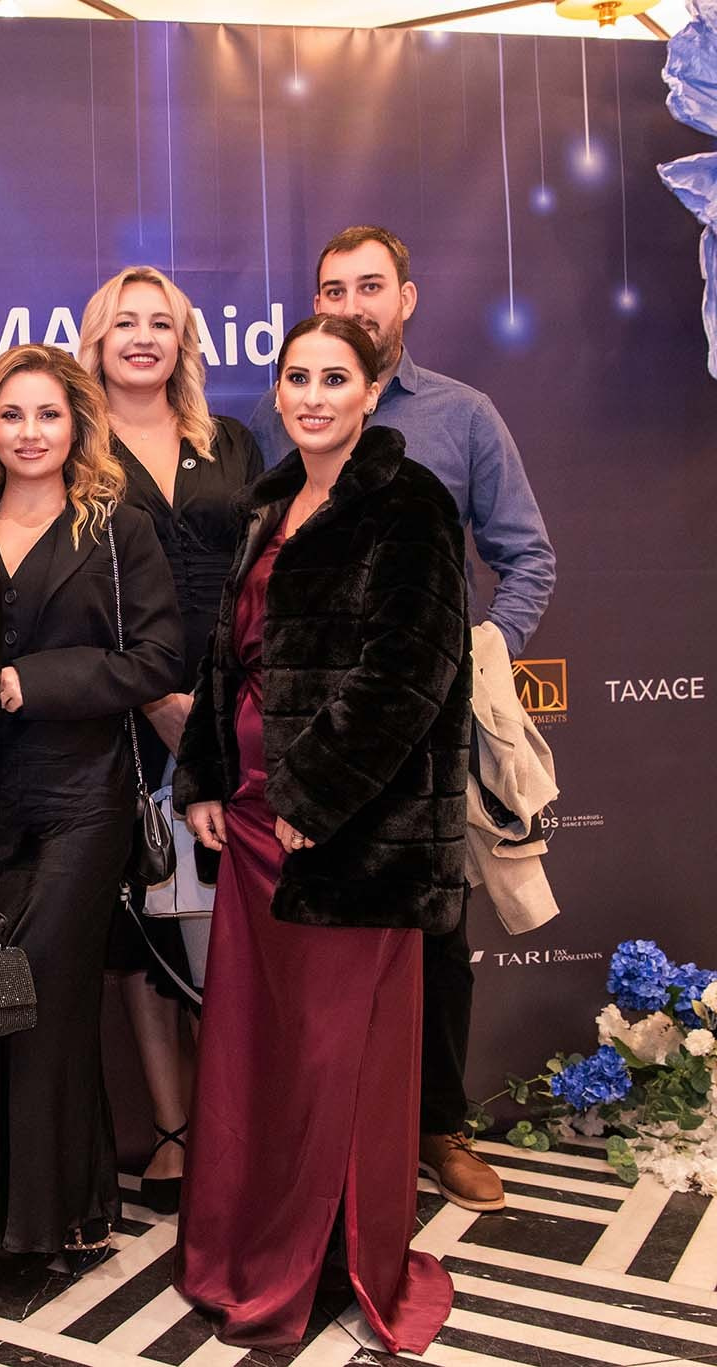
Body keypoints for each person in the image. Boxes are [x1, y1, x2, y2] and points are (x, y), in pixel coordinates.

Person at [249, 226, 555, 1213]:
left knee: (434, 930)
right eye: (331, 288)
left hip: (417, 734)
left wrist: (472, 656)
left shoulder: (460, 415)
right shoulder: (283, 420)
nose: (351, 304)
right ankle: (338, 1141)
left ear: (406, 299)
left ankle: (439, 1126)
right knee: (324, 954)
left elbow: (527, 557)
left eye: (369, 286)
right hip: (305, 741)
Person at [178, 315, 465, 1352]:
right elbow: (226, 658)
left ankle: (323, 1264)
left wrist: (319, 795)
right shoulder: (269, 500)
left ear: (372, 388)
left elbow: (409, 670)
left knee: (333, 1059)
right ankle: (245, 1246)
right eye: (296, 376)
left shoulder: (408, 501)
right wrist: (206, 776)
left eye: (333, 378)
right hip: (255, 823)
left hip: (352, 834)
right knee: (257, 1053)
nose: (311, 395)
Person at [0, 344, 182, 1272]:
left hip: (85, 797)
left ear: (77, 424)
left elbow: (159, 659)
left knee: (39, 988)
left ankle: (25, 1225)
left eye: (48, 413)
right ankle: (76, 1204)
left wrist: (35, 680)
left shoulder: (118, 528)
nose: (30, 432)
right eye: (12, 415)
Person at [78, 266, 265, 1213]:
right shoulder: (73, 447)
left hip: (236, 711)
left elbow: (266, 571)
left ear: (185, 340)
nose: (144, 337)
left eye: (162, 322)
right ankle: (173, 1131)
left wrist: (234, 699)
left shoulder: (231, 441)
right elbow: (64, 589)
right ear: (98, 340)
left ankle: (236, 1129)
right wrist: (153, 698)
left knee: (232, 918)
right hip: (124, 717)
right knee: (145, 920)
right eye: (126, 322)